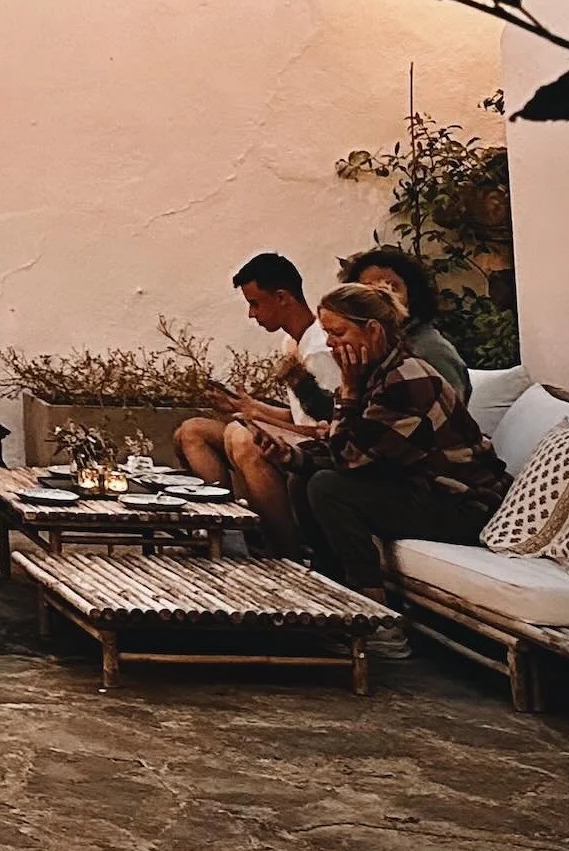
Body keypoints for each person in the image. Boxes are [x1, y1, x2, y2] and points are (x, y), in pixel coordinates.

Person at [275, 282, 509, 647]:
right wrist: (292, 458)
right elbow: (353, 449)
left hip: (463, 505)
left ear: (373, 331)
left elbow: (350, 459)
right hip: (416, 487)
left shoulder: (407, 379)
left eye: (339, 333)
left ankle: (377, 618)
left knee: (327, 487)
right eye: (328, 334)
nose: (332, 345)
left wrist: (348, 393)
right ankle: (333, 593)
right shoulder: (376, 373)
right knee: (305, 478)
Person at [172, 252, 342, 550]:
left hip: (320, 451)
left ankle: (283, 549)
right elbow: (300, 416)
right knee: (192, 431)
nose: (252, 314)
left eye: (255, 303)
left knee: (243, 437)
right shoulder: (292, 342)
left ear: (282, 297)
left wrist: (257, 420)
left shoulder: (319, 350)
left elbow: (325, 430)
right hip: (301, 436)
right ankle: (224, 533)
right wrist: (249, 408)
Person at [335, 244, 470, 399]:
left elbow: (450, 417)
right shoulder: (381, 349)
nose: (382, 296)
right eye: (369, 290)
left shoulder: (430, 351)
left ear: (412, 295)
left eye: (392, 287)